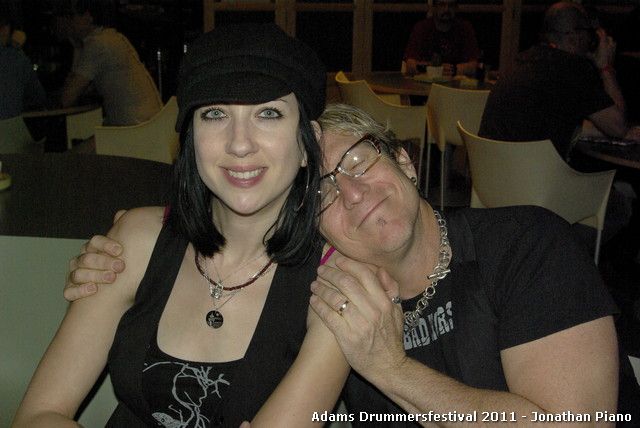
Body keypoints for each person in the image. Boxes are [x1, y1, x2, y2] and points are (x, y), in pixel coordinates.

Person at [66, 103, 621, 425]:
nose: (353, 193)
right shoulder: (327, 300)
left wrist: (391, 369)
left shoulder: (526, 245)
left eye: (360, 160)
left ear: (403, 160)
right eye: (322, 193)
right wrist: (139, 241)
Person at [12, 23, 349, 427]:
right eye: (215, 114)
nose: (240, 143)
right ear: (191, 137)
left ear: (308, 143)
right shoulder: (136, 241)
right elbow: (39, 414)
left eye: (268, 113)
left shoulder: (334, 283)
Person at [479, 1, 640, 161]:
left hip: (491, 171)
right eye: (589, 33)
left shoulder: (523, 60)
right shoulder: (572, 69)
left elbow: (548, 121)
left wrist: (602, 131)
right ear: (575, 37)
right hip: (534, 174)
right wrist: (606, 67)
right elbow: (618, 127)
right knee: (608, 174)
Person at [53, 0, 162, 125]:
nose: (68, 22)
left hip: (135, 127)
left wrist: (76, 48)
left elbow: (67, 99)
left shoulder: (97, 45)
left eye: (71, 16)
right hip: (148, 123)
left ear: (88, 17)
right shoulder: (112, 37)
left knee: (80, 137)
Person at [403, 0, 480, 77]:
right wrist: (436, 68)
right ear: (433, 7)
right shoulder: (422, 28)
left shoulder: (465, 28)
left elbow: (474, 66)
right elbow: (410, 65)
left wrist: (452, 70)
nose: (446, 9)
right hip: (426, 81)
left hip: (457, 82)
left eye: (451, 5)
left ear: (456, 8)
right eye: (441, 5)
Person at [0, 13, 46, 119]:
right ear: (6, 29)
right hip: (9, 127)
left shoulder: (16, 57)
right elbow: (38, 97)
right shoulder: (16, 58)